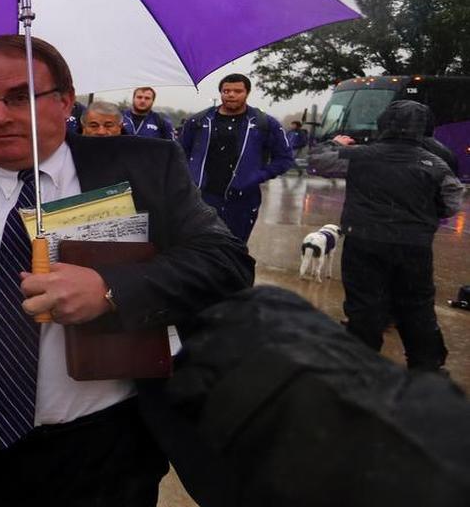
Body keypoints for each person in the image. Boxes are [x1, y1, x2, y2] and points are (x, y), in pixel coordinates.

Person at [0, 34, 254, 507]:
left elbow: (226, 261)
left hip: (106, 450)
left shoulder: (143, 167)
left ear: (65, 100)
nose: (0, 115)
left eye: (21, 96)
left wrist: (110, 288)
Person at [309, 100, 463, 371]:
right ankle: (426, 366)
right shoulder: (435, 163)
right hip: (414, 246)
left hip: (364, 242)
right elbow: (451, 202)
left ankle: (360, 365)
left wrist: (336, 143)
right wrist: (424, 215)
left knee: (364, 305)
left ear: (383, 123)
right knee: (417, 306)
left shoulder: (360, 155)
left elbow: (318, 162)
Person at [179, 73, 294, 243]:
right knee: (199, 248)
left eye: (237, 91)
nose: (231, 95)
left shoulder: (265, 123)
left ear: (247, 93)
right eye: (226, 91)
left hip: (243, 201)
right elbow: (179, 153)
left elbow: (284, 158)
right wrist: (190, 177)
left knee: (234, 250)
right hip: (203, 198)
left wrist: (258, 176)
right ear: (220, 93)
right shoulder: (198, 121)